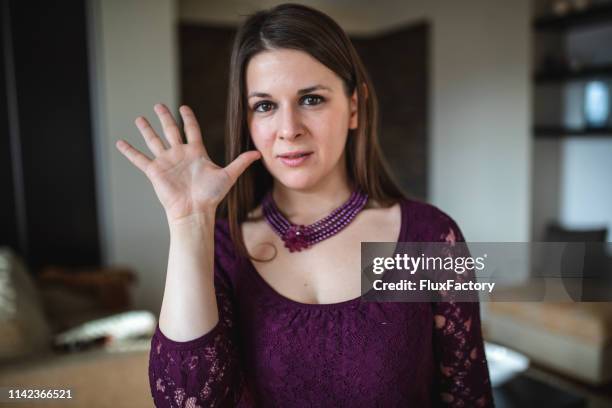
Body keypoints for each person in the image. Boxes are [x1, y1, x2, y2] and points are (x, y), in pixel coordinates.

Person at [116, 3, 493, 407]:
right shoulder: (221, 248)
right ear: (247, 121)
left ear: (354, 106)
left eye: (311, 99)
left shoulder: (430, 237)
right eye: (264, 106)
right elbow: (185, 401)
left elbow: (468, 398)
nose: (289, 129)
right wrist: (190, 224)